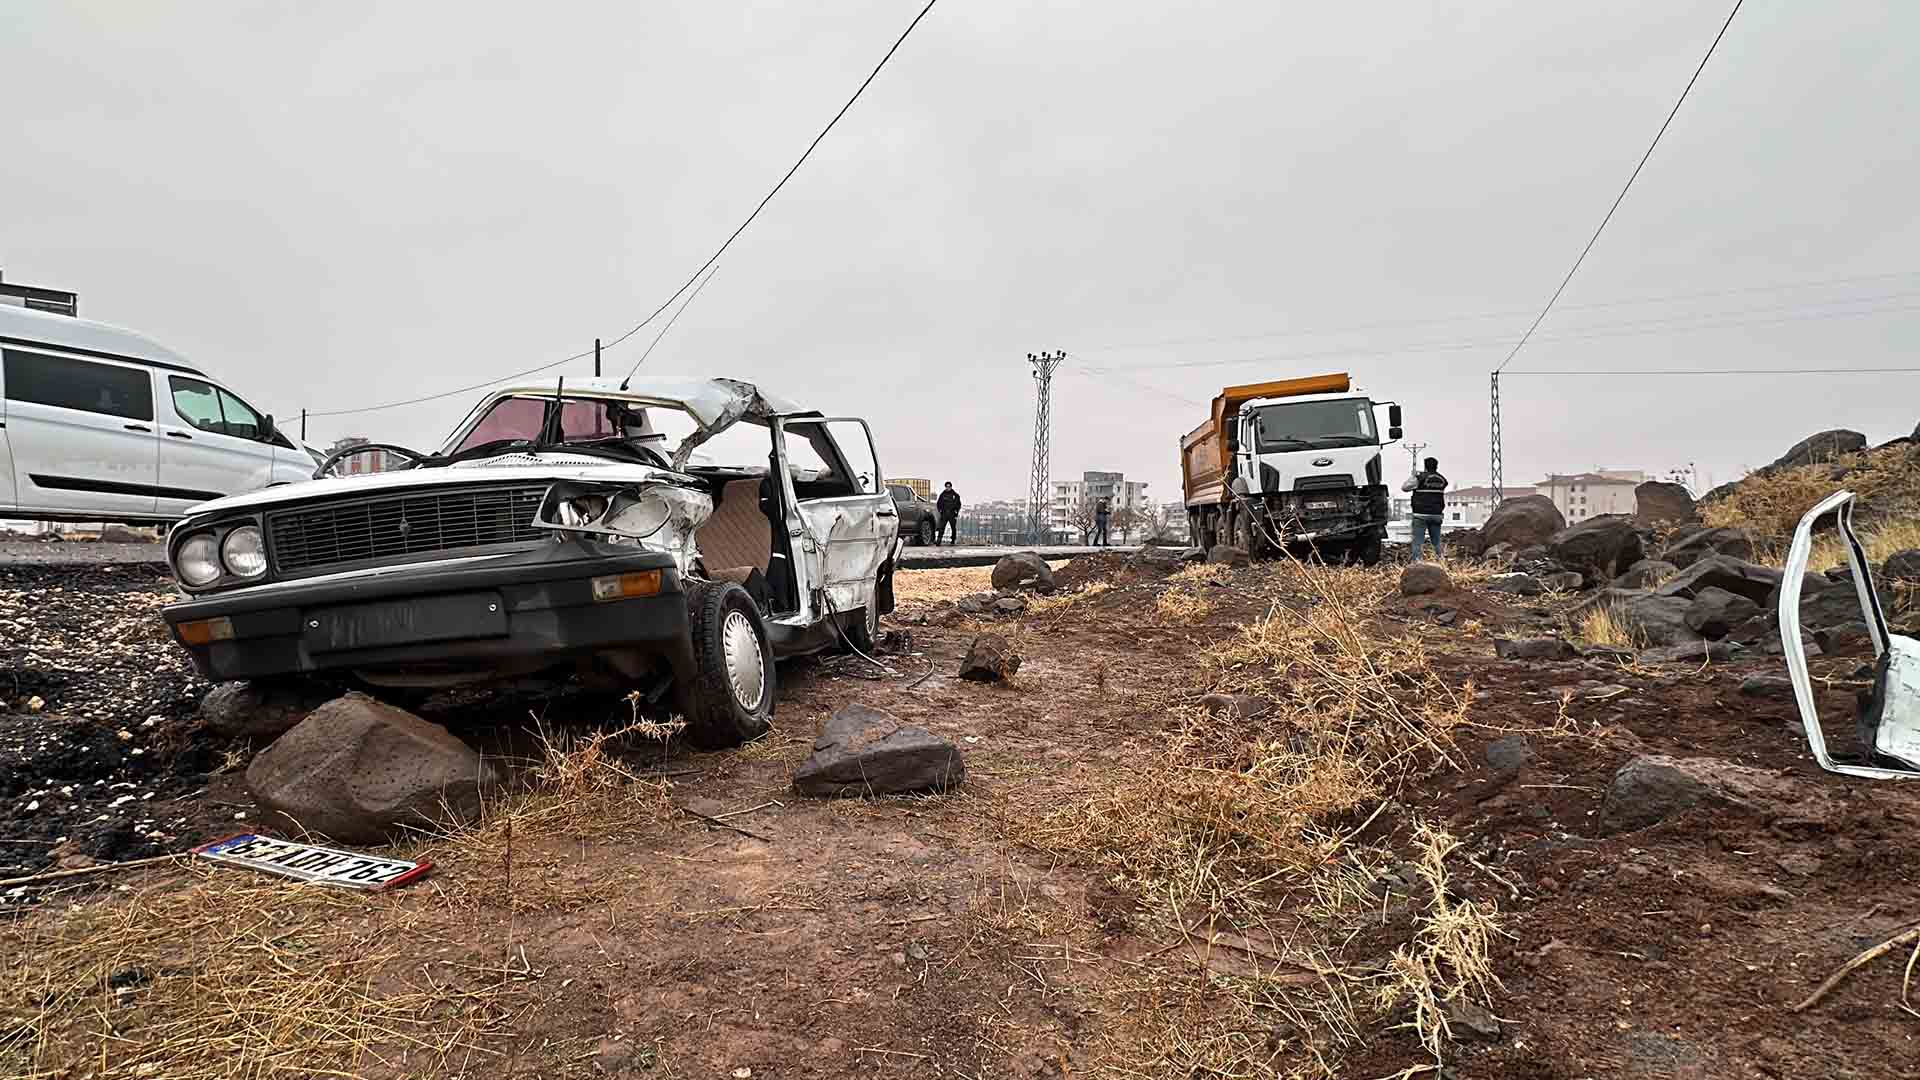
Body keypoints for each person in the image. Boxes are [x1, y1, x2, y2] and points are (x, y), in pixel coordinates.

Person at [1402, 457, 1449, 562]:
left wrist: (1413, 476)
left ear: (1425, 466)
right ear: (1437, 466)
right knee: (1436, 541)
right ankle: (1440, 560)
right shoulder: (1442, 479)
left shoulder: (1420, 478)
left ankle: (1417, 562)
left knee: (1417, 541)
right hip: (1436, 514)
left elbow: (1404, 488)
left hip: (1420, 514)